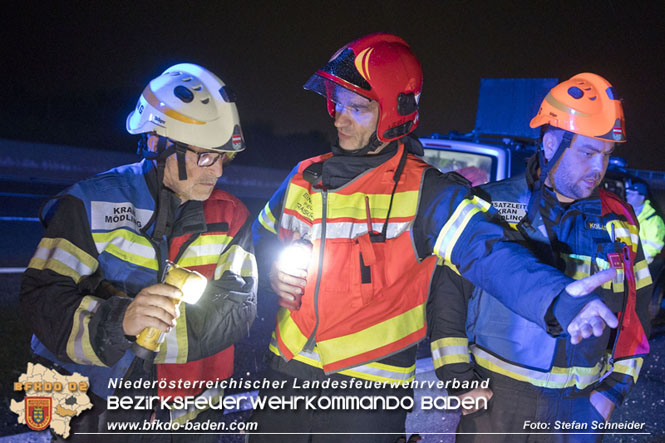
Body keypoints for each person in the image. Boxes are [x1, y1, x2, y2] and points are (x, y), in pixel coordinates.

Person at [250, 34, 618, 442]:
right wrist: (272, 267)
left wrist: (557, 298)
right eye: (338, 102)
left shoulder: (429, 192)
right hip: (284, 374)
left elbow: (488, 251)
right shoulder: (304, 175)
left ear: (394, 113)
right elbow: (263, 233)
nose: (339, 119)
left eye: (357, 107)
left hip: (369, 395)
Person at [20, 63, 257, 441]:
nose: (218, 172)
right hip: (92, 411)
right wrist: (119, 322)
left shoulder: (231, 216)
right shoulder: (90, 202)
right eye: (205, 156)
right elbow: (42, 300)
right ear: (157, 143)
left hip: (188, 418)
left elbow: (239, 311)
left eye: (223, 157)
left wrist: (149, 330)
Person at [428, 73, 652, 442]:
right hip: (497, 403)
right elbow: (448, 298)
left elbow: (636, 314)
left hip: (578, 410)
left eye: (606, 155)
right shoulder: (488, 206)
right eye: (587, 152)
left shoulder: (619, 222)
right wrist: (459, 381)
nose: (598, 168)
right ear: (550, 144)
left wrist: (612, 392)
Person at [625, 181, 665, 266]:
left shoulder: (653, 220)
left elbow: (654, 245)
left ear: (642, 197)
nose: (628, 196)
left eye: (632, 194)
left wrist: (636, 259)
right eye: (628, 193)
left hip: (643, 265)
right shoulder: (627, 212)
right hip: (626, 261)